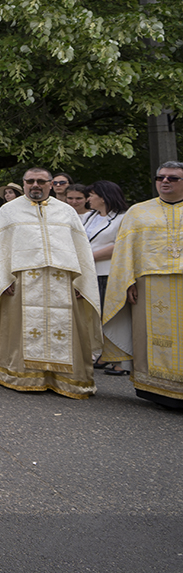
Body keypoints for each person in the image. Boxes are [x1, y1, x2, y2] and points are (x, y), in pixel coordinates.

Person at [0, 167, 101, 399]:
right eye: (30, 181)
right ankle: (21, 375)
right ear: (24, 183)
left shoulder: (66, 211)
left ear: (50, 184)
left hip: (63, 282)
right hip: (22, 282)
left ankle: (65, 379)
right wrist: (1, 278)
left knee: (68, 330)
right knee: (21, 328)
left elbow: (82, 251)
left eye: (40, 181)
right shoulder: (8, 211)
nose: (35, 185)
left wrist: (82, 282)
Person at [100, 161, 183, 408]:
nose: (165, 181)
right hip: (149, 286)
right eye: (160, 178)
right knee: (153, 338)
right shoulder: (138, 212)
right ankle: (157, 389)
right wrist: (126, 283)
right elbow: (125, 252)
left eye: (173, 178)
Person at [81, 180, 131, 375]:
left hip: (108, 272)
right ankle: (102, 354)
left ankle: (119, 360)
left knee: (113, 315)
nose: (88, 199)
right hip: (89, 272)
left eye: (91, 195)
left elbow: (120, 244)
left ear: (103, 197)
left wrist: (89, 256)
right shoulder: (89, 217)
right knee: (95, 315)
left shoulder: (123, 218)